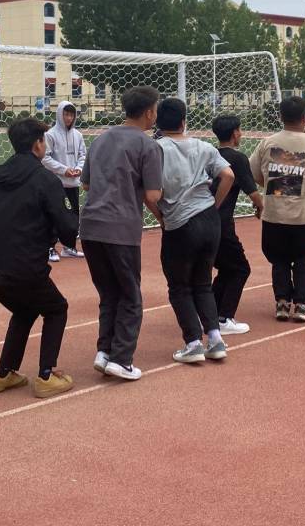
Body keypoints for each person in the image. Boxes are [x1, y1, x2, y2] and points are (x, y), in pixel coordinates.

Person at [0, 118, 79, 399]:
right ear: (38, 145)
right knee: (56, 308)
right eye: (45, 141)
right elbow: (67, 229)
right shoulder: (46, 179)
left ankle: (4, 374)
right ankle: (46, 376)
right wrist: (70, 222)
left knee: (25, 310)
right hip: (25, 266)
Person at [79, 85, 163, 381]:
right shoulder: (148, 146)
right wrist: (164, 218)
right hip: (121, 228)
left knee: (109, 294)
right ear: (149, 112)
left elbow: (86, 184)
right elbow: (153, 195)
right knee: (130, 295)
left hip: (90, 226)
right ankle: (122, 358)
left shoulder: (100, 139)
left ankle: (105, 351)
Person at [154, 98, 235, 364]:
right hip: (209, 219)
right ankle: (215, 339)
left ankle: (192, 342)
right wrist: (215, 204)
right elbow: (228, 175)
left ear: (158, 122)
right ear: (183, 121)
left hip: (180, 222)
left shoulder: (157, 149)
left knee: (179, 286)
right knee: (202, 282)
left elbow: (149, 192)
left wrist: (160, 215)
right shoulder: (203, 146)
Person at [249, 96, 305, 323]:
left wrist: (275, 185)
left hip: (274, 215)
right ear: (304, 118)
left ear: (281, 117)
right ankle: (301, 304)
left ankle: (282, 302)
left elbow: (255, 175)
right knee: (304, 259)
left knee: (278, 259)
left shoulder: (267, 143)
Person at [211, 114, 264, 335]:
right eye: (240, 130)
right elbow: (253, 192)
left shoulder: (210, 154)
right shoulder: (237, 158)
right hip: (222, 224)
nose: (241, 134)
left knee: (226, 268)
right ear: (234, 133)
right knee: (241, 268)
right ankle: (224, 318)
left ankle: (210, 315)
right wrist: (260, 206)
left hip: (203, 221)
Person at [42, 100, 87, 261]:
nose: (68, 118)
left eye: (71, 115)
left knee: (72, 216)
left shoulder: (78, 135)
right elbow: (45, 158)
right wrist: (64, 170)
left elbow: (83, 155)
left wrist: (79, 169)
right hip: (56, 183)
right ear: (60, 115)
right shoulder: (50, 135)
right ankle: (50, 248)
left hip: (73, 183)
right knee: (54, 215)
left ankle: (69, 247)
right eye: (66, 114)